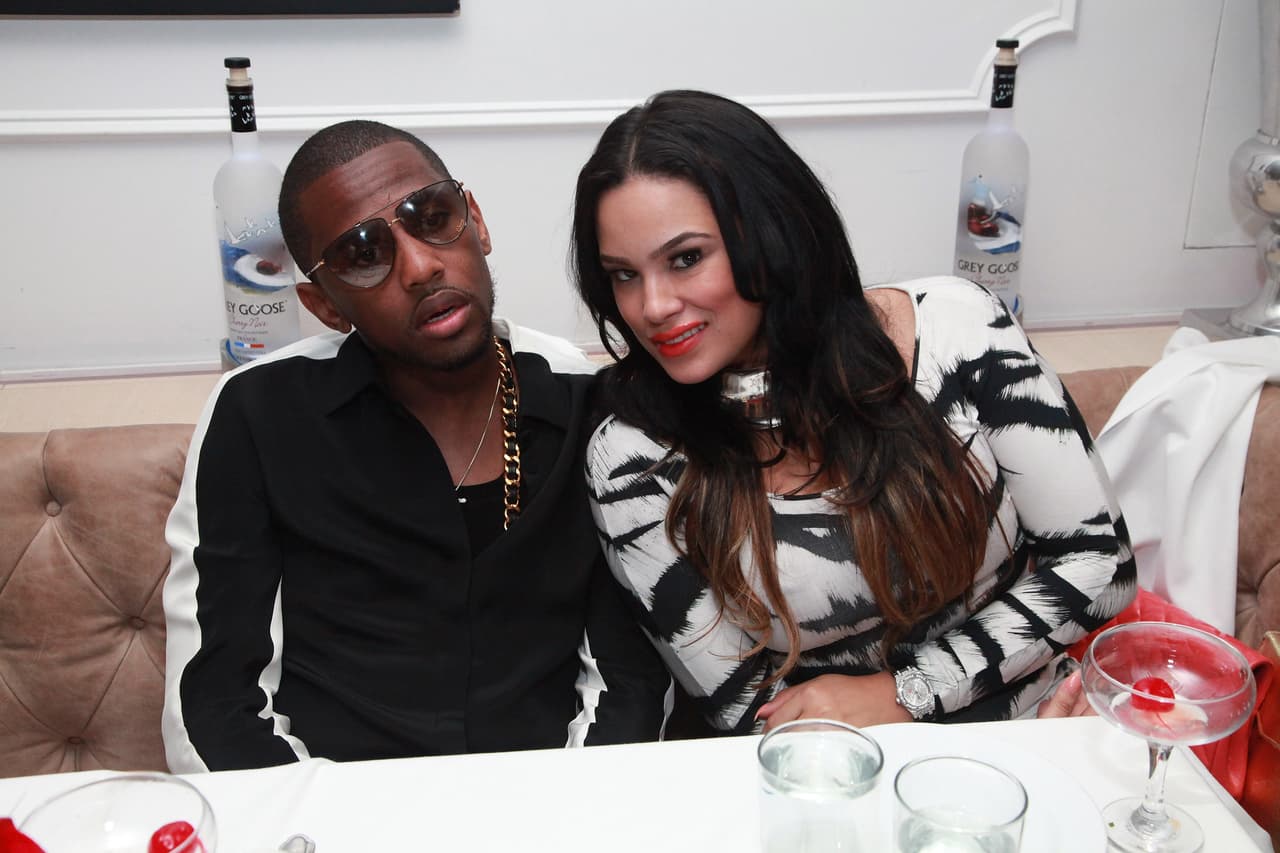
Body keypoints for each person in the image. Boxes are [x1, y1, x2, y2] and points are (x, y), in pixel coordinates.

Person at [571, 90, 1136, 734]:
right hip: (834, 764)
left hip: (1046, 727)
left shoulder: (956, 330)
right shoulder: (631, 458)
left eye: (686, 259)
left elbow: (1101, 565)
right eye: (623, 275)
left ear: (771, 233)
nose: (652, 307)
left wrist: (907, 691)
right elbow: (742, 707)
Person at [162, 120, 669, 772]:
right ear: (325, 305)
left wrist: (564, 812)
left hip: (549, 799)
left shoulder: (586, 406)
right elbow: (215, 701)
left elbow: (628, 682)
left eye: (432, 218)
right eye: (363, 254)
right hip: (326, 807)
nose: (421, 266)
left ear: (475, 221)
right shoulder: (258, 414)